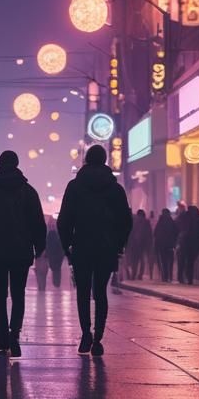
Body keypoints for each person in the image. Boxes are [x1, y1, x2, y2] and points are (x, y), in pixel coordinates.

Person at [57, 145, 133, 356]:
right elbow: (126, 221)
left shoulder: (74, 187)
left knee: (83, 292)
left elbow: (64, 220)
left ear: (86, 160)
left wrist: (68, 246)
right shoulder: (115, 189)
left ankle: (85, 334)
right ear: (105, 160)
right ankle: (98, 338)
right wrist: (119, 245)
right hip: (106, 248)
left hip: (81, 246)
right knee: (100, 292)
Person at [0, 150, 46, 359]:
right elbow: (37, 222)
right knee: (18, 294)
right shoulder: (28, 191)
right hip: (21, 251)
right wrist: (39, 245)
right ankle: (15, 334)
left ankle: (2, 336)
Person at [176, 204, 199, 285]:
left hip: (191, 242)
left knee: (188, 261)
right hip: (188, 242)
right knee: (186, 261)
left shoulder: (196, 218)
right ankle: (185, 277)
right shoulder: (189, 217)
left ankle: (187, 278)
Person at [126, 209, 152, 280]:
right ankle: (140, 275)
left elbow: (131, 233)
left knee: (135, 260)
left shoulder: (134, 221)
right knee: (142, 260)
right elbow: (149, 234)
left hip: (134, 244)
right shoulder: (146, 222)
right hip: (143, 244)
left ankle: (133, 275)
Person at [153, 209, 177, 282]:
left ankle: (166, 277)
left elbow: (155, 233)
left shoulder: (160, 222)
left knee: (164, 262)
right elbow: (176, 233)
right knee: (170, 261)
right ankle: (169, 276)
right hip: (170, 245)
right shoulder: (172, 222)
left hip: (162, 245)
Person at [45, 217, 65, 288]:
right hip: (57, 256)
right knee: (57, 270)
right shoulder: (56, 235)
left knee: (55, 270)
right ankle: (57, 283)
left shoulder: (50, 235)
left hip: (54, 256)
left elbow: (48, 246)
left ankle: (56, 283)